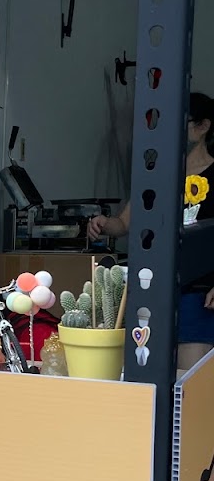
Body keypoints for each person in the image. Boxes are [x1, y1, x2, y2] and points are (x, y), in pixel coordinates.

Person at [87, 91, 214, 371]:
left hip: (198, 292)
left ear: (203, 126)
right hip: (151, 287)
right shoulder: (155, 171)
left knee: (188, 379)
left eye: (181, 121)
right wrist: (104, 223)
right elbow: (124, 223)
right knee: (144, 371)